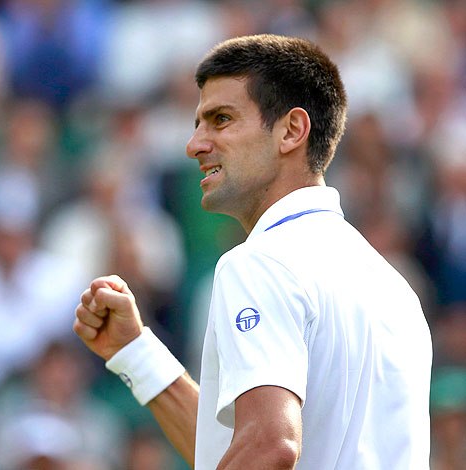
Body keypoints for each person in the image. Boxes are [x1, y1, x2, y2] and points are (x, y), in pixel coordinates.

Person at [73, 34, 432, 470]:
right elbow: (240, 449)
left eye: (220, 120)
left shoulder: (259, 263)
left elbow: (270, 446)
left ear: (291, 131)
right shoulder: (394, 287)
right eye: (197, 124)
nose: (195, 145)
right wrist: (134, 350)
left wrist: (262, 446)